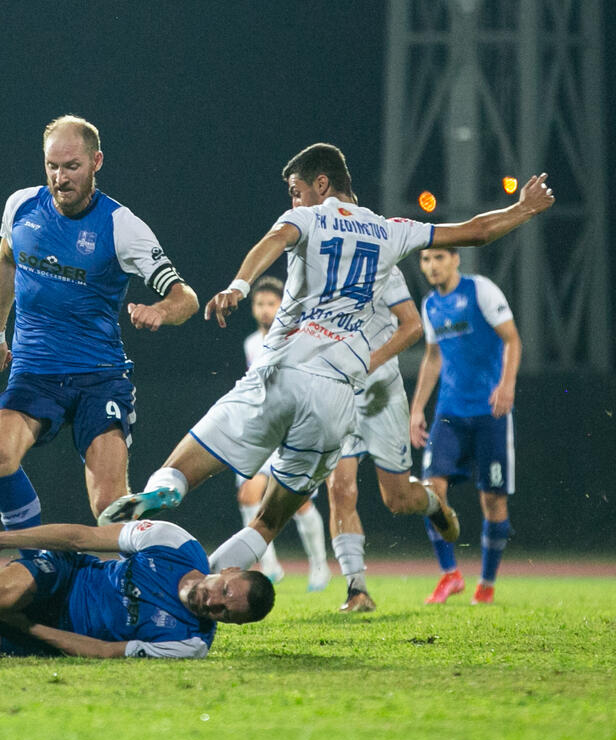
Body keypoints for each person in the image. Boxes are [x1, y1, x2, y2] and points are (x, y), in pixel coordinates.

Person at [97, 143, 553, 581]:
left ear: (320, 183)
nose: (293, 199)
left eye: (296, 189)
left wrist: (239, 285)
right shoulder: (392, 228)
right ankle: (202, 579)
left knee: (185, 466)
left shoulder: (308, 217)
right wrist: (525, 209)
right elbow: (474, 231)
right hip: (336, 394)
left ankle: (167, 490)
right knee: (270, 520)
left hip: (281, 371)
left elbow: (275, 239)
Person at [0, 115, 198, 535]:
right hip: (35, 372)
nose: (60, 178)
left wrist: (160, 311)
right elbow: (6, 260)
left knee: (109, 509)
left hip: (99, 377)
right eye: (52, 166)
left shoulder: (122, 227)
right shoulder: (21, 206)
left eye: (71, 167)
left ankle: (138, 581)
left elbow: (185, 297)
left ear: (96, 161)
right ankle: (35, 563)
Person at [0, 519, 274, 659]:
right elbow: (80, 538)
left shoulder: (189, 641)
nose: (213, 602)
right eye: (224, 590)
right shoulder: (175, 543)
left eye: (224, 612)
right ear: (228, 570)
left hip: (56, 633)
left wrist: (27, 627)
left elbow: (102, 653)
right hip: (65, 574)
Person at [409, 247, 521, 605]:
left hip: (489, 413)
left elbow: (512, 339)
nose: (431, 266)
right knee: (430, 491)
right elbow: (433, 356)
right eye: (426, 260)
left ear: (456, 259)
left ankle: (486, 584)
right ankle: (450, 574)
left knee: (493, 500)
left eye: (439, 257)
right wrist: (416, 410)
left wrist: (506, 385)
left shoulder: (480, 290)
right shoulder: (429, 305)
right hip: (449, 413)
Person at [325, 264, 427, 613]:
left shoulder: (380, 261)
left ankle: (432, 503)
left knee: (398, 499)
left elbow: (413, 325)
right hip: (340, 393)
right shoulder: (315, 257)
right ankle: (356, 589)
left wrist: (369, 362)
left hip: (383, 392)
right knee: (340, 488)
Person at [237, 275, 330, 589]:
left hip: (291, 431)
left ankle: (319, 567)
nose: (265, 310)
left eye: (270, 304)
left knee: (297, 501)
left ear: (282, 306)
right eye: (259, 304)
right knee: (248, 493)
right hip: (263, 430)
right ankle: (270, 565)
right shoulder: (250, 343)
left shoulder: (296, 339)